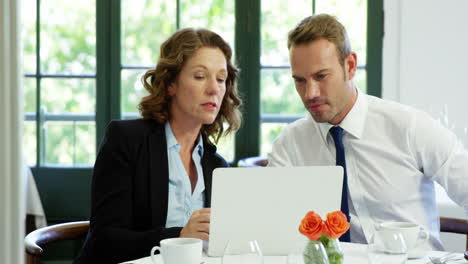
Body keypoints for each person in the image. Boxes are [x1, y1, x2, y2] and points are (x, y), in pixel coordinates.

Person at [268, 14, 468, 250]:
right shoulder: (289, 145)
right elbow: (269, 223)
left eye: (321, 76)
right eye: (300, 81)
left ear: (350, 66)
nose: (310, 93)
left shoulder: (408, 127)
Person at [74, 28, 241, 263]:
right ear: (170, 83)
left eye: (221, 79)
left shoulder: (216, 165)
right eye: (200, 76)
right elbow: (105, 240)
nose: (214, 89)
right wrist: (179, 236)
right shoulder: (126, 141)